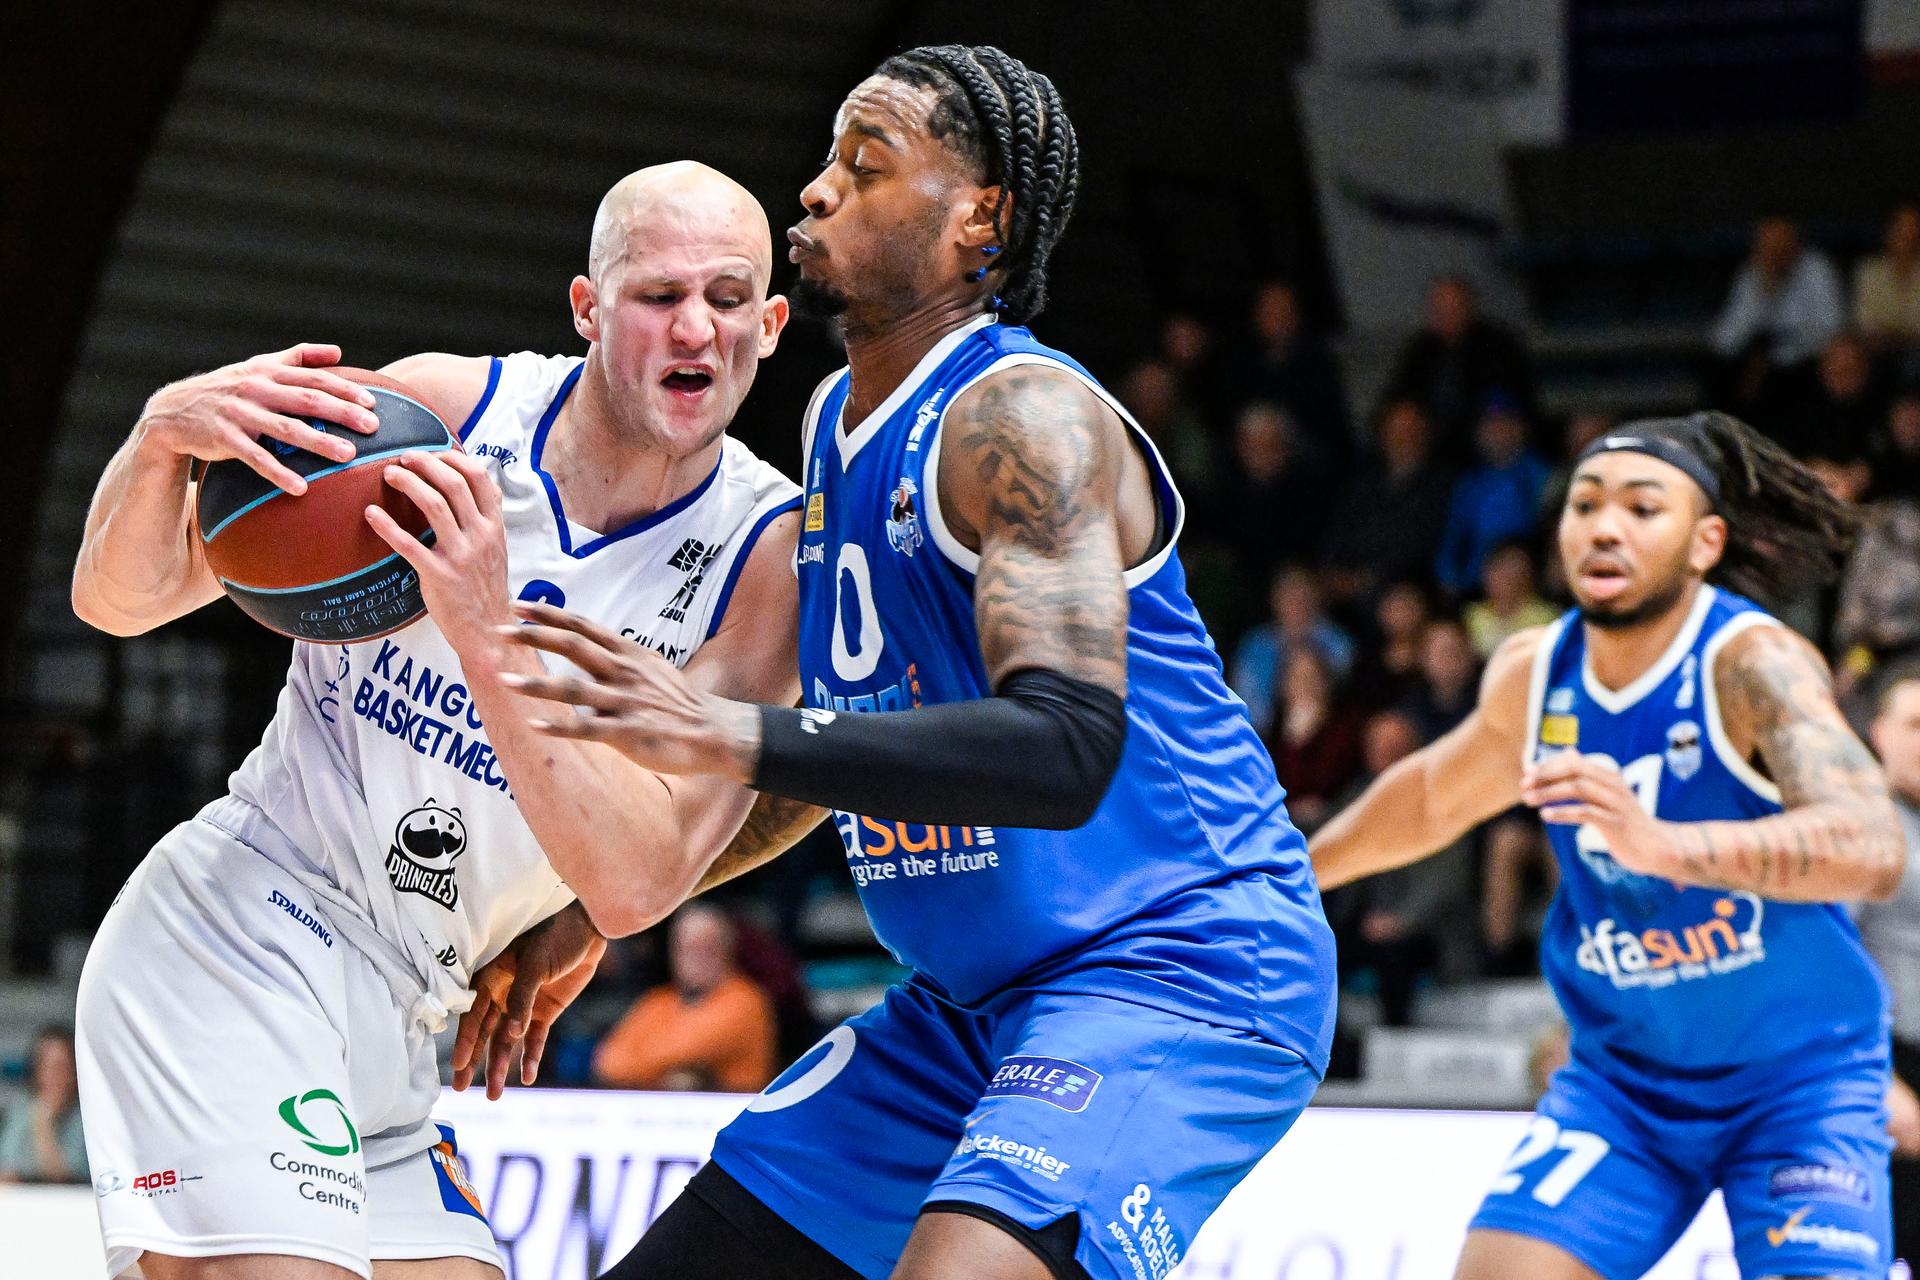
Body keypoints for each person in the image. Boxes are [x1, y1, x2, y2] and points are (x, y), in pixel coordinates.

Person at [487, 43, 1336, 1280]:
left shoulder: (1020, 418)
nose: (816, 187)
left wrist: (729, 730)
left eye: (866, 163)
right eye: (828, 158)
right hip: (967, 1005)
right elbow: (837, 755)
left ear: (978, 218)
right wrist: (602, 908)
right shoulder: (832, 420)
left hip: (1176, 966)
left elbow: (1065, 747)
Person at [68, 162, 805, 1279]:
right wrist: (161, 437)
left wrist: (488, 636)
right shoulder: (444, 417)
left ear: (771, 324)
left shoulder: (767, 559)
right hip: (247, 927)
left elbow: (636, 882)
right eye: (659, 295)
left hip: (414, 1011)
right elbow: (121, 601)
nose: (695, 326)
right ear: (588, 307)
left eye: (728, 296)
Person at [1313, 410, 1904, 1280]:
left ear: (1704, 543)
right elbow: (1435, 796)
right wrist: (1291, 874)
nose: (1604, 527)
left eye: (1642, 507)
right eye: (1585, 504)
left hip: (1796, 1082)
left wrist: (1667, 846)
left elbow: (1872, 845)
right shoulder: (1534, 671)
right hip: (1626, 1087)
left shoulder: (1752, 662)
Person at [1859, 670, 1920, 1266]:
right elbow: (1824, 961)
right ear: (1879, 733)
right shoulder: (1856, 826)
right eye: (1915, 725)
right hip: (1888, 1063)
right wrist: (1881, 1078)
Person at [591, 904, 776, 1092]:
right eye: (685, 947)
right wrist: (669, 1072)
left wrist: (648, 1062)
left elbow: (688, 1048)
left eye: (704, 947)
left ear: (727, 950)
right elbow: (608, 1062)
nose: (693, 958)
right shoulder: (658, 1001)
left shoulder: (745, 1001)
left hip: (735, 1107)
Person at [1707, 216, 1845, 424]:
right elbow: (1724, 340)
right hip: (1757, 360)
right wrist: (1765, 291)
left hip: (1803, 360)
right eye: (1768, 246)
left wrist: (1776, 355)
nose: (1775, 252)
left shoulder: (1816, 269)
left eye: (1781, 244)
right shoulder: (1752, 274)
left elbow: (1832, 329)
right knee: (1717, 371)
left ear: (1795, 243)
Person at [1383, 275, 1537, 456]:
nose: (1448, 317)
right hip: (1430, 433)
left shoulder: (1497, 346)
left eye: (1454, 309)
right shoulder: (1421, 350)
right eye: (1441, 310)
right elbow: (1399, 392)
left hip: (1476, 430)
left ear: (1470, 308)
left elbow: (1507, 393)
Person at [1434, 396, 1551, 597]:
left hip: (1527, 582)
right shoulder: (1470, 482)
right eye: (1490, 425)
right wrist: (1447, 575)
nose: (1497, 432)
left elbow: (1551, 530)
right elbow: (1452, 536)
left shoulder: (1540, 475)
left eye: (1505, 423)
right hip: (1475, 584)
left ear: (1521, 428)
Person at [1228, 564, 1355, 735]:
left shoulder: (1338, 642)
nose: (1295, 602)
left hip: (1328, 730)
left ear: (1316, 598)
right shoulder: (1256, 645)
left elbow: (1344, 697)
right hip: (1265, 732)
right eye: (1288, 595)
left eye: (1303, 595)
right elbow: (1244, 701)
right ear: (1275, 599)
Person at [0, 1025, 87, 1184]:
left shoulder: (85, 1118)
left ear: (74, 1072)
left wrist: (43, 1125)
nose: (52, 1075)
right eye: (46, 1066)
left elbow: (65, 1179)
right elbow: (7, 1169)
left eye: (60, 1067)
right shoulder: (21, 1109)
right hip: (23, 1197)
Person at [1854, 204, 1920, 358]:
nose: (1908, 236)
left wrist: (1894, 334)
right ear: (1888, 232)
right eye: (1901, 229)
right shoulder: (1868, 271)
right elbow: (1867, 325)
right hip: (1877, 354)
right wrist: (1905, 335)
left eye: (1913, 229)